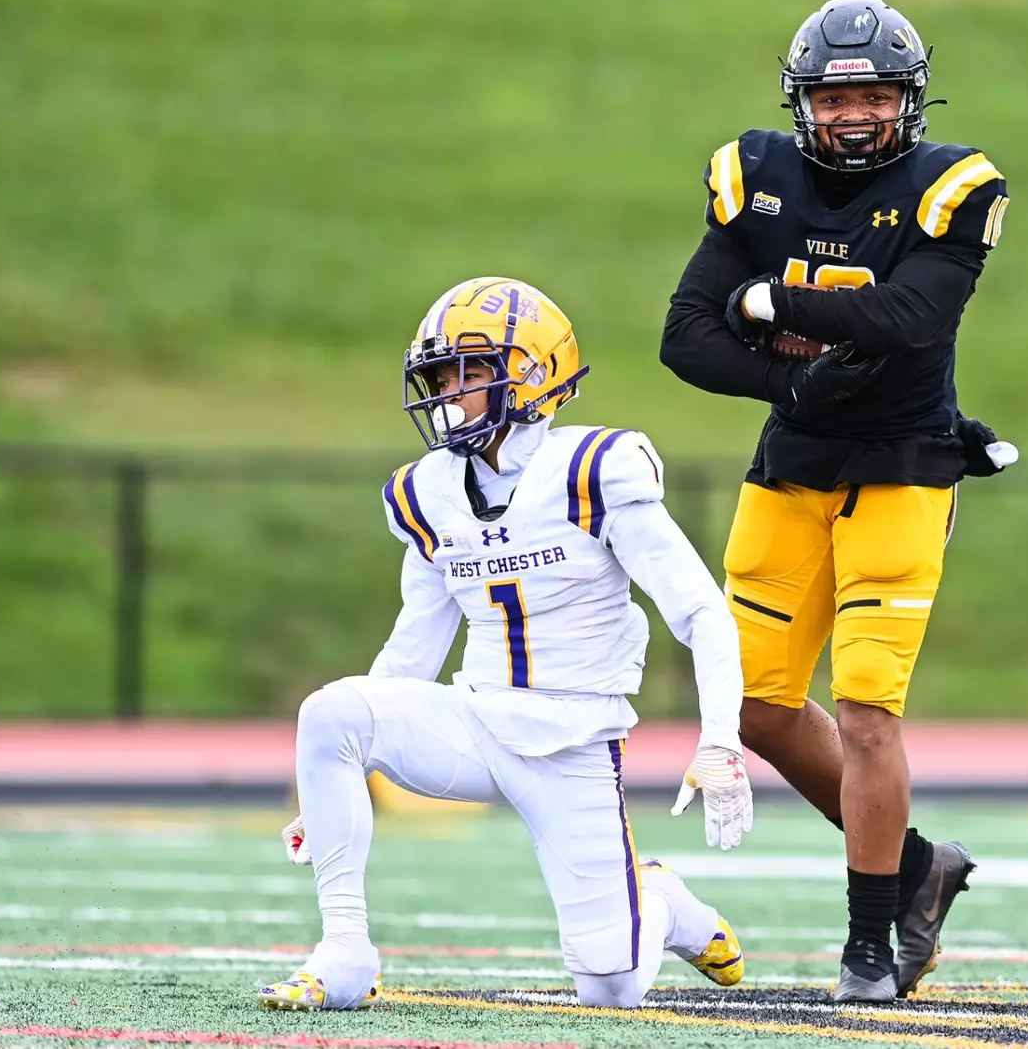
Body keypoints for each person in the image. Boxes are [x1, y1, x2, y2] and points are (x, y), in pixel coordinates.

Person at [260, 276, 753, 1011]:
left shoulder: (593, 470)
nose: (445, 393)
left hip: (575, 740)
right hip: (478, 722)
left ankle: (664, 903)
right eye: (439, 375)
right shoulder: (429, 490)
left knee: (611, 989)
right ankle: (345, 952)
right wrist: (336, 780)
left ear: (531, 372)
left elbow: (701, 611)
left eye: (468, 372)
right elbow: (413, 643)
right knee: (331, 713)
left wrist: (720, 739)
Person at [659, 0, 1017, 1002]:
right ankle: (915, 868)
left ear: (907, 101)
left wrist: (768, 302)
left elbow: (904, 317)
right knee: (756, 706)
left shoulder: (953, 186)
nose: (854, 115)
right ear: (802, 101)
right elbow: (685, 334)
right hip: (794, 464)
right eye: (835, 95)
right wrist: (792, 380)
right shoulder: (756, 177)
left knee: (865, 707)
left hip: (904, 466)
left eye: (872, 95)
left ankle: (869, 941)